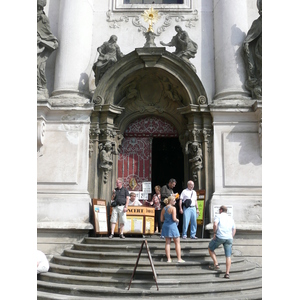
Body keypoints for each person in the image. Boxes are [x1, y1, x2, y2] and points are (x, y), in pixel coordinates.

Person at [37, 0, 58, 98]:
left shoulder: (43, 20)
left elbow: (53, 42)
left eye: (39, 9)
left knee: (38, 68)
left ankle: (40, 88)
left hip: (39, 52)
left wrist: (40, 41)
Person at [208, 205, 236, 279]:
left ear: (221, 210)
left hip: (220, 236)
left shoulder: (218, 216)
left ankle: (216, 263)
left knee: (210, 248)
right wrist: (231, 237)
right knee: (228, 256)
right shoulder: (231, 218)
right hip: (229, 238)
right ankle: (227, 273)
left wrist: (214, 233)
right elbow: (234, 229)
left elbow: (215, 224)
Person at [160, 196, 185, 263]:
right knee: (177, 243)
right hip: (172, 226)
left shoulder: (163, 208)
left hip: (165, 225)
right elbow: (174, 218)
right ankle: (179, 259)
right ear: (170, 201)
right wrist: (178, 220)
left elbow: (161, 220)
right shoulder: (173, 208)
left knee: (167, 243)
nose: (175, 202)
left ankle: (169, 259)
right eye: (174, 201)